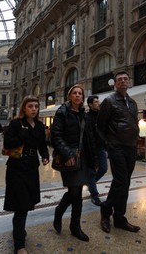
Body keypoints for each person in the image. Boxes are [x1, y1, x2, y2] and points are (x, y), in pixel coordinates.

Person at [3, 96, 49, 254]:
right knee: (21, 206)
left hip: (31, 168)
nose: (34, 109)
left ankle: (19, 231)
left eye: (36, 106)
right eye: (30, 106)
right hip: (16, 168)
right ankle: (19, 245)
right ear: (24, 108)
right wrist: (23, 134)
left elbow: (42, 144)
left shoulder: (40, 125)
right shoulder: (16, 124)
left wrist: (45, 155)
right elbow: (7, 144)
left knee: (26, 204)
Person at [51, 84, 97, 242]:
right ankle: (64, 216)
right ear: (69, 95)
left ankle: (74, 225)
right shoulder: (62, 112)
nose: (78, 95)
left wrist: (94, 159)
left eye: (80, 93)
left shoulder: (84, 113)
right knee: (74, 191)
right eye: (75, 93)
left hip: (82, 157)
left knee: (77, 191)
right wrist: (68, 153)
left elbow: (88, 138)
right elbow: (56, 136)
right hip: (68, 156)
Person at [97, 71, 140, 234]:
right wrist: (108, 144)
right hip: (116, 146)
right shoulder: (109, 101)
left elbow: (133, 122)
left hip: (131, 146)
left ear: (129, 82)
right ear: (115, 83)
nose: (123, 81)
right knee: (121, 180)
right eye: (119, 79)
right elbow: (100, 126)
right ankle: (106, 210)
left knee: (125, 182)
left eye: (125, 79)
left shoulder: (133, 102)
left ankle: (120, 218)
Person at [86, 95, 108, 206]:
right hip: (90, 149)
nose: (98, 103)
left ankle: (90, 184)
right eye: (96, 102)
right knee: (91, 172)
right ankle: (94, 195)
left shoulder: (101, 115)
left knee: (104, 168)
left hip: (101, 147)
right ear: (90, 104)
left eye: (98, 101)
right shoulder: (87, 117)